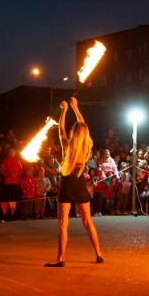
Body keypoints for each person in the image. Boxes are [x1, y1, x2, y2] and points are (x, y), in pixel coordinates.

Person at [45, 97, 103, 267]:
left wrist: (64, 110)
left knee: (63, 223)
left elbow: (61, 129)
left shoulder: (67, 145)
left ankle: (61, 257)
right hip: (80, 186)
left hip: (67, 185)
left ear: (74, 132)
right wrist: (76, 108)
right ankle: (98, 253)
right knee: (87, 221)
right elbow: (84, 126)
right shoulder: (87, 146)